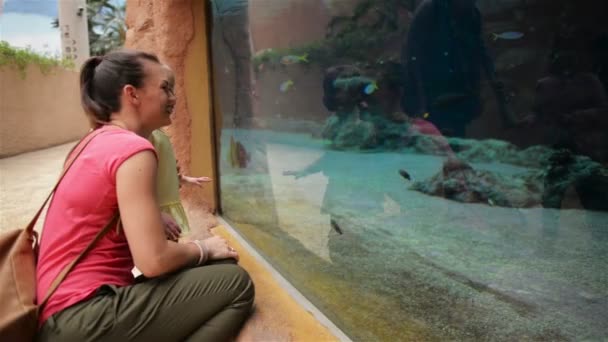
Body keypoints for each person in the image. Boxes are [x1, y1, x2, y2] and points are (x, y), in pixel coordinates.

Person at [35, 50, 254, 341]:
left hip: (59, 313)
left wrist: (157, 217)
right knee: (235, 283)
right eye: (165, 88)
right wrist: (204, 248)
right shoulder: (133, 150)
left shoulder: (90, 142)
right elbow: (153, 261)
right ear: (132, 94)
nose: (173, 97)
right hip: (83, 316)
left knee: (211, 268)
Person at [401, 0, 516, 137]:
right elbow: (413, 54)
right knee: (434, 141)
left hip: (458, 94)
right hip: (432, 93)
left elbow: (480, 50)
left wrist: (494, 93)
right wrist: (421, 103)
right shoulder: (431, 9)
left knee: (454, 138)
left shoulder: (472, 14)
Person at [149, 127, 211, 236]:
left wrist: (185, 179)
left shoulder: (159, 134)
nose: (172, 109)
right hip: (158, 208)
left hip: (167, 207)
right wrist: (156, 213)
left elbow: (165, 169)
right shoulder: (150, 135)